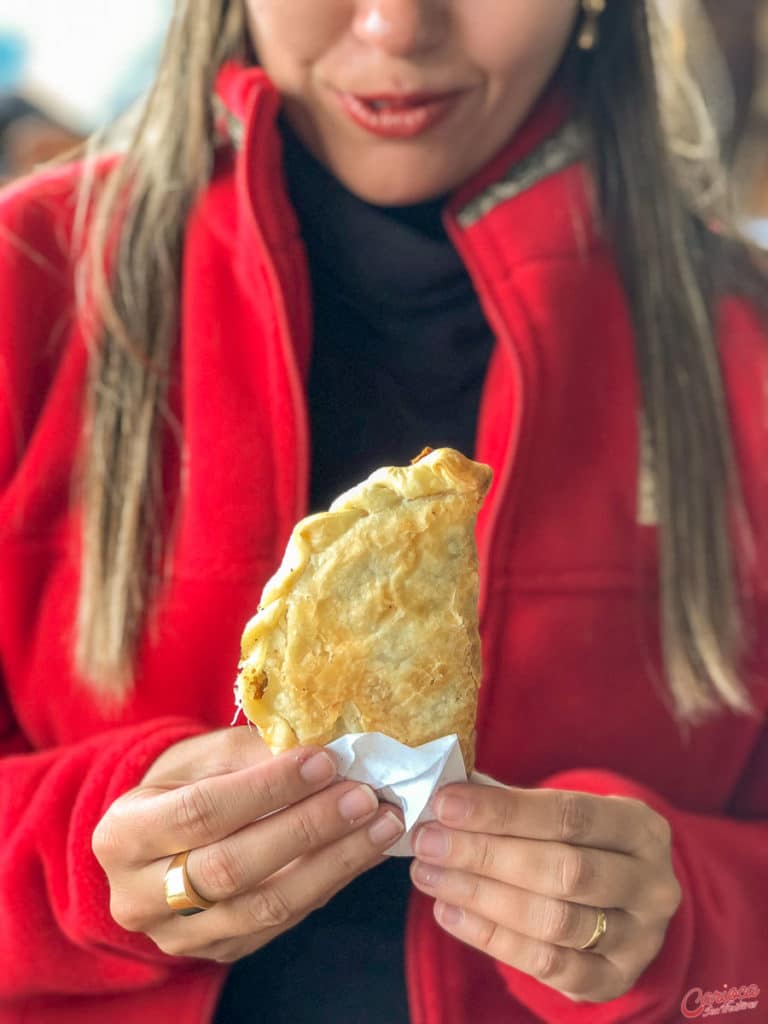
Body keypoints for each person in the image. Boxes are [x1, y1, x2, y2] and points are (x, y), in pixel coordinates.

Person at [0, 2, 766, 1023]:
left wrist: (688, 927)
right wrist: (74, 870)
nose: (397, 28)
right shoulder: (30, 283)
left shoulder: (743, 346)